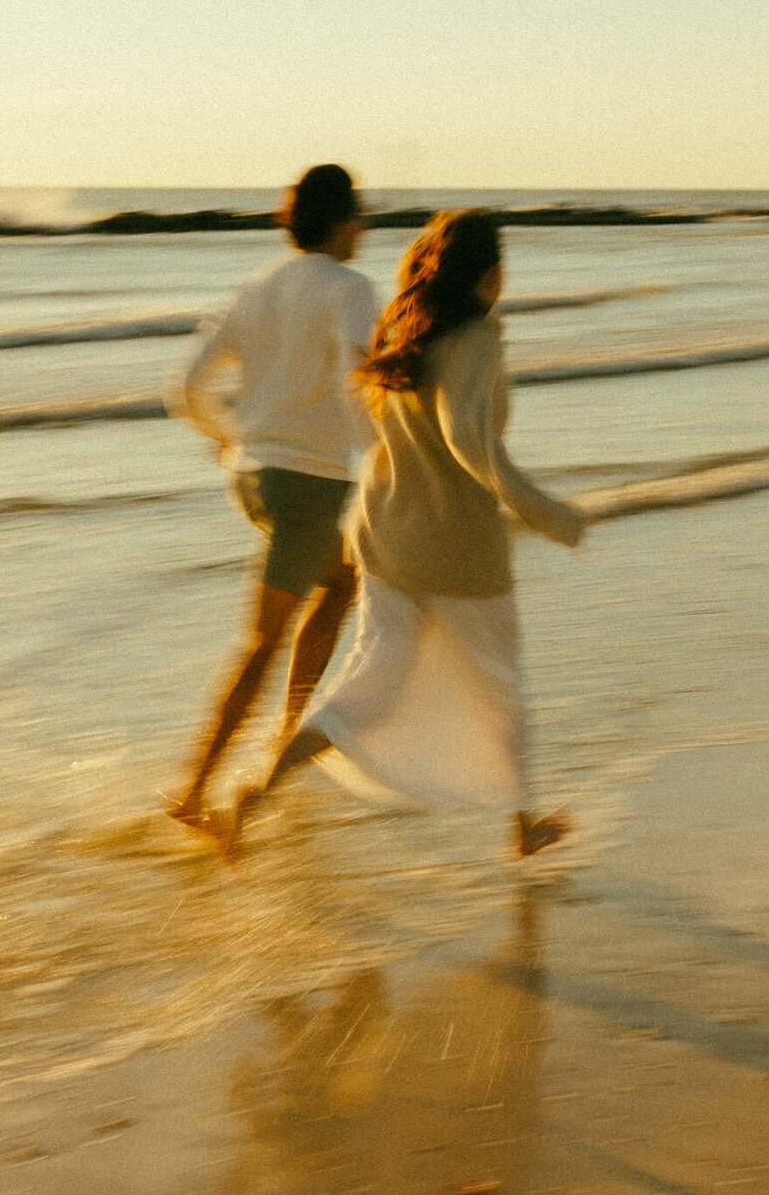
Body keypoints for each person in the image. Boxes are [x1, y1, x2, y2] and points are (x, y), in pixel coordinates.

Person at [241, 208, 586, 859]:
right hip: (456, 548)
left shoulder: (407, 327)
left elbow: (376, 424)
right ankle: (523, 828)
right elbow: (468, 440)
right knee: (501, 685)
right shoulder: (478, 337)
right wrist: (548, 512)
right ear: (492, 273)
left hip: (382, 535)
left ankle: (261, 788)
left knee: (370, 684)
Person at [167, 164, 378, 838]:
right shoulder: (351, 288)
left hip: (254, 480)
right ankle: (198, 789)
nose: (366, 227)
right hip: (309, 484)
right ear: (342, 221)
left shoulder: (255, 286)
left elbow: (186, 386)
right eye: (362, 215)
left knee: (342, 581)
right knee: (262, 640)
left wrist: (231, 439)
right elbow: (359, 382)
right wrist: (383, 450)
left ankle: (282, 737)